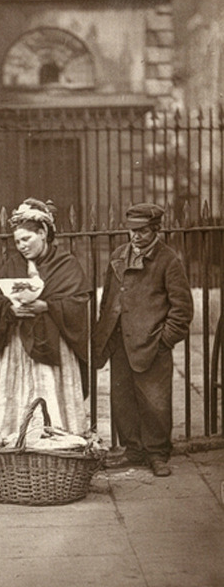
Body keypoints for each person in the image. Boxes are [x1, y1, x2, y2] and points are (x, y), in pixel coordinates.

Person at [93, 203, 193, 477]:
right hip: (120, 342)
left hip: (152, 345)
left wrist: (164, 341)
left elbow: (182, 309)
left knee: (155, 402)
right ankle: (133, 451)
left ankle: (157, 454)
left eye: (143, 231)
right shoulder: (118, 256)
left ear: (156, 230)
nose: (135, 236)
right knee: (122, 400)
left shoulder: (168, 260)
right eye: (132, 230)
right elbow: (108, 300)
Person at [0, 198, 91, 438]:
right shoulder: (12, 265)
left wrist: (47, 306)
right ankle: (16, 440)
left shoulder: (66, 264)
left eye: (26, 239)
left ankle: (58, 440)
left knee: (50, 396)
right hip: (17, 348)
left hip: (54, 347)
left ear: (43, 233)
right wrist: (10, 311)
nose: (22, 246)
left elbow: (78, 303)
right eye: (17, 241)